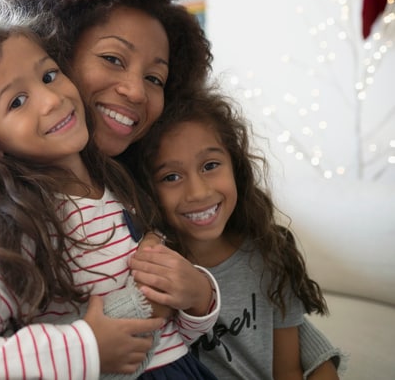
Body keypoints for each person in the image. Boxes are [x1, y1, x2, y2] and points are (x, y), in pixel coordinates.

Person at [0, 0, 342, 376]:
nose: (136, 91)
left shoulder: (139, 176)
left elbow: (251, 295)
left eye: (155, 78)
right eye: (113, 59)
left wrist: (202, 299)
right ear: (58, 46)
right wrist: (114, 319)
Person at [0, 0, 221, 379]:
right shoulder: (18, 224)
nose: (53, 100)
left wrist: (198, 298)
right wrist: (85, 346)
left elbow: (167, 331)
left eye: (49, 76)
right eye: (17, 102)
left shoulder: (114, 186)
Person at [134, 88, 341, 379]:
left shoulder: (270, 255)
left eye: (210, 166)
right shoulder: (152, 267)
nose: (198, 192)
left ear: (236, 167)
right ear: (147, 189)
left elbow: (288, 371)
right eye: (171, 177)